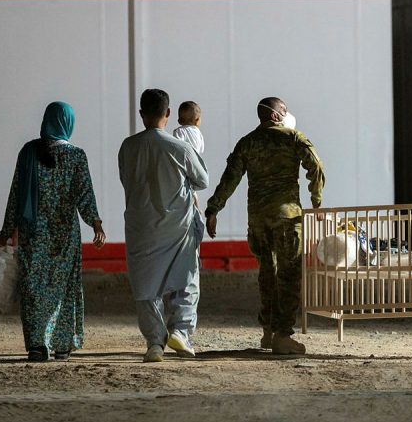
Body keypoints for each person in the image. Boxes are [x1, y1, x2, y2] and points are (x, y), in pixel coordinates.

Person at [205, 97, 325, 355]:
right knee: (289, 274)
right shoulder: (292, 138)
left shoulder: (247, 143)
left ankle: (268, 332)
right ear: (274, 115)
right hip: (286, 218)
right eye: (283, 111)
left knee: (266, 274)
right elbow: (315, 166)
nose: (286, 115)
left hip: (257, 219)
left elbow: (230, 178)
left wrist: (214, 209)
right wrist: (316, 201)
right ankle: (283, 334)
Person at [0, 101, 106, 362]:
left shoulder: (28, 152)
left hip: (33, 234)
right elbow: (84, 195)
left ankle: (37, 345)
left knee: (34, 289)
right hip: (64, 236)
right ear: (68, 124)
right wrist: (96, 223)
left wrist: (6, 230)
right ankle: (62, 345)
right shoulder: (76, 156)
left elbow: (16, 194)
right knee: (64, 289)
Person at [118, 89, 209, 363]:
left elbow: (126, 179)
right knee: (187, 279)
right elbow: (202, 180)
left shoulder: (127, 147)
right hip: (176, 228)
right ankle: (180, 331)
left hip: (141, 227)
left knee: (146, 285)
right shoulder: (179, 147)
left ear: (141, 113)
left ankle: (154, 343)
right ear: (168, 114)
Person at [172, 101, 205, 210]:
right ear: (197, 120)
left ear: (179, 120)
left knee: (186, 188)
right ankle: (198, 209)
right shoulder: (198, 133)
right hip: (195, 166)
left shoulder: (179, 131)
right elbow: (201, 150)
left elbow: (177, 147)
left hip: (183, 166)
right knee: (193, 189)